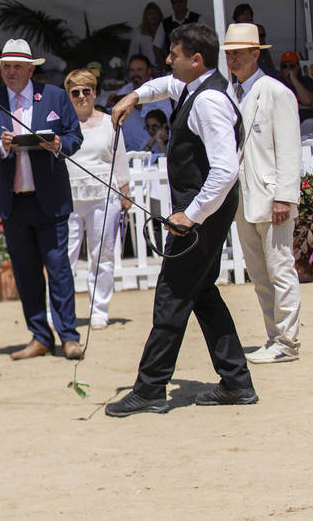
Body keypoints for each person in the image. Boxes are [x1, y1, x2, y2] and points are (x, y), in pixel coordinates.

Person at [106, 23, 256, 417]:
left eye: (173, 55)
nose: (167, 59)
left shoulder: (208, 102)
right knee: (202, 292)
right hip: (204, 212)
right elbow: (167, 87)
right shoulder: (194, 87)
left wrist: (189, 217)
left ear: (196, 59)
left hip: (200, 215)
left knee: (172, 295)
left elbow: (224, 170)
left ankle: (151, 387)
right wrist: (134, 96)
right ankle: (237, 381)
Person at [0, 39, 84, 360]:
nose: (10, 72)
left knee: (58, 267)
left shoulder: (55, 97)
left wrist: (59, 143)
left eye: (17, 67)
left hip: (49, 198)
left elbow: (75, 136)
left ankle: (69, 336)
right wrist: (1, 145)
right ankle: (40, 336)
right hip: (13, 201)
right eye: (6, 67)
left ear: (31, 69)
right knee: (25, 271)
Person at [222, 23, 302, 363]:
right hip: (243, 197)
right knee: (259, 273)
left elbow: (289, 149)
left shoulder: (276, 92)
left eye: (238, 54)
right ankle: (275, 337)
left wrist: (285, 196)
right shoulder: (232, 93)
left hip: (271, 196)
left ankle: (287, 342)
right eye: (228, 55)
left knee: (280, 268)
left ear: (257, 54)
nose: (232, 60)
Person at [64, 69, 130, 329]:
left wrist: (125, 191)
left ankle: (99, 309)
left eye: (86, 91)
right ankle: (62, 309)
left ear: (95, 92)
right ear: (69, 95)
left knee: (102, 254)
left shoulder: (109, 122)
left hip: (104, 196)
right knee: (64, 257)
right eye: (75, 92)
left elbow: (120, 158)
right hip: (69, 196)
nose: (81, 97)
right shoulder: (62, 124)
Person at [105, 55, 172, 151]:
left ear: (149, 71)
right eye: (132, 70)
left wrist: (142, 107)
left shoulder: (158, 88)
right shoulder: (125, 90)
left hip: (155, 150)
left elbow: (167, 118)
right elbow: (113, 117)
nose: (135, 74)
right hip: (130, 151)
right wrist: (109, 105)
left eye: (139, 70)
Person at [154, 0, 202, 64]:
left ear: (186, 1)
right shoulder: (164, 23)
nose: (178, 4)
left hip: (194, 65)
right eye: (174, 2)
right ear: (171, 4)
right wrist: (164, 66)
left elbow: (205, 43)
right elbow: (156, 47)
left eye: (180, 0)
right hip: (173, 67)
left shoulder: (198, 19)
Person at [278, 50, 313, 134]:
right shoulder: (277, 83)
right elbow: (279, 106)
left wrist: (294, 79)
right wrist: (303, 106)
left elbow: (308, 101)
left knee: (311, 125)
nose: (288, 69)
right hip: (285, 122)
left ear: (298, 67)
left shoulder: (306, 80)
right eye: (284, 66)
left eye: (292, 66)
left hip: (306, 120)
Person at [232, 3, 277, 79]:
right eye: (242, 14)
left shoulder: (258, 28)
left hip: (260, 61)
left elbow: (265, 50)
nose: (245, 16)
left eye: (248, 14)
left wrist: (272, 66)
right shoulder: (233, 32)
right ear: (237, 17)